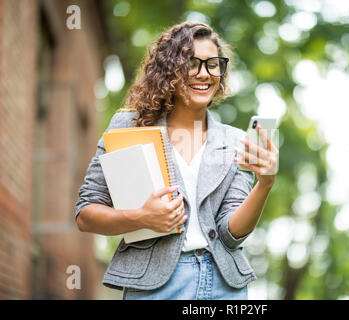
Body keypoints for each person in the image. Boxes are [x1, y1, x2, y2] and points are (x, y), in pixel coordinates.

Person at [74, 21, 279, 300]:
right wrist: (140, 218)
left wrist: (264, 185)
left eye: (212, 64)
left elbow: (231, 234)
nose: (204, 74)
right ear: (169, 69)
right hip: (154, 287)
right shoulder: (129, 128)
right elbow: (86, 214)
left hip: (224, 287)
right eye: (192, 63)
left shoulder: (235, 141)